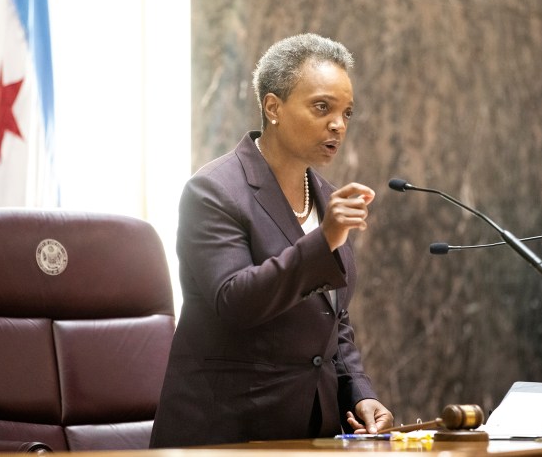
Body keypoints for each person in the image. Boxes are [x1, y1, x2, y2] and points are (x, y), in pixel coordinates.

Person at [150, 33, 393, 447]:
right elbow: (235, 301)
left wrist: (359, 391)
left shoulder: (327, 197)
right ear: (273, 107)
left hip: (311, 434)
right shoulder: (213, 191)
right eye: (322, 107)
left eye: (347, 112)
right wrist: (324, 240)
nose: (338, 124)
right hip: (226, 434)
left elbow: (333, 318)